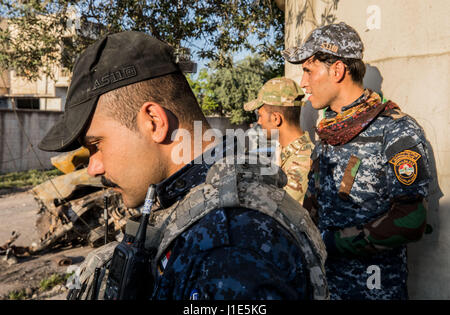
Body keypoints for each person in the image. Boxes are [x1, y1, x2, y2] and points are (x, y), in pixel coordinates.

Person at [38, 31, 328, 300]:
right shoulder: (196, 209)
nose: (93, 167)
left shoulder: (228, 240)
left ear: (154, 122)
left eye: (96, 145)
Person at [283, 22, 431, 300]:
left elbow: (412, 218)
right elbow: (314, 205)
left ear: (337, 70)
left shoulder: (395, 130)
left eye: (308, 70)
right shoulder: (329, 131)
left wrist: (333, 242)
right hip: (325, 287)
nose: (303, 83)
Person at [244, 77, 314, 205]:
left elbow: (278, 212)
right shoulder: (284, 153)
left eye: (260, 116)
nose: (259, 122)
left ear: (276, 118)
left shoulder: (301, 162)